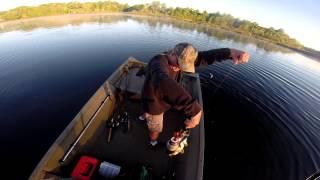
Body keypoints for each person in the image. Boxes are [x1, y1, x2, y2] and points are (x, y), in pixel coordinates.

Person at [140, 43, 250, 147]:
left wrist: (231, 52)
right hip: (154, 104)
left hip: (162, 99)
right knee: (155, 127)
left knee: (148, 111)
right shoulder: (158, 61)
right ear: (172, 53)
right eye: (180, 64)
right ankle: (152, 142)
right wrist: (194, 109)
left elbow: (207, 56)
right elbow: (161, 80)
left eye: (185, 66)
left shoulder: (182, 57)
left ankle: (144, 115)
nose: (181, 68)